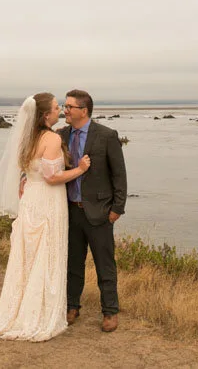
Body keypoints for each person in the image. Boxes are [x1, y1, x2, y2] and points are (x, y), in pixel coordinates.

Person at [0, 93, 90, 342]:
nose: (61, 111)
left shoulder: (26, 138)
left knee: (28, 255)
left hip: (30, 199)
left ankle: (20, 308)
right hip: (47, 199)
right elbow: (52, 177)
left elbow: (28, 170)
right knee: (47, 252)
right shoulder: (52, 138)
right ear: (45, 115)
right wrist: (80, 169)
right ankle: (40, 313)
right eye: (57, 108)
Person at [57, 89, 127, 332]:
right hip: (70, 211)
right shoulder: (60, 135)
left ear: (83, 111)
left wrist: (117, 208)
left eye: (69, 107)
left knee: (104, 265)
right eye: (64, 106)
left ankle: (110, 311)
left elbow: (119, 173)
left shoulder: (106, 135)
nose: (64, 110)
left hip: (100, 212)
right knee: (73, 263)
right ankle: (71, 306)